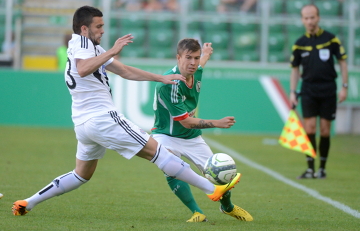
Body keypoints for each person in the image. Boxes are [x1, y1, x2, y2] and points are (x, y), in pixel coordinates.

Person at [12, 5, 242, 216]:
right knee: (161, 154)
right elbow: (83, 69)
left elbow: (124, 71)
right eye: (98, 26)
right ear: (84, 28)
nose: (103, 30)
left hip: (83, 124)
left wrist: (160, 77)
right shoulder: (83, 46)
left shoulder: (86, 47)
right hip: (102, 118)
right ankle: (212, 189)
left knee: (81, 174)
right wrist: (112, 50)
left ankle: (28, 202)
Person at [151, 38, 253, 222]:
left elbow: (201, 63)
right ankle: (197, 212)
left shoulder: (197, 71)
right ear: (178, 57)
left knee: (220, 174)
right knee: (171, 167)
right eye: (188, 58)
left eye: (196, 58)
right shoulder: (169, 84)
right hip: (165, 134)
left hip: (191, 137)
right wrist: (216, 123)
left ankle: (228, 207)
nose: (193, 63)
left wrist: (205, 54)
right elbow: (186, 122)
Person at [289, 4, 348, 179]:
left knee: (324, 130)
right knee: (309, 128)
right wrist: (293, 91)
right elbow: (294, 69)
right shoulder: (299, 44)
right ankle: (309, 168)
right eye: (306, 18)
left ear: (318, 17)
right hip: (308, 89)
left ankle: (322, 168)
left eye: (312, 17)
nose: (309, 21)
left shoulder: (331, 39)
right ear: (302, 20)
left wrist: (344, 87)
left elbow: (343, 62)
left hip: (328, 88)